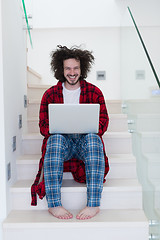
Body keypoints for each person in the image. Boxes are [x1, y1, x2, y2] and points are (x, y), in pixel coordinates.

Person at [31, 45, 109, 220]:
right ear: (61, 69)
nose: (72, 72)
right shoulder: (50, 94)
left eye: (76, 68)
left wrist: (87, 128)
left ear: (82, 69)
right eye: (68, 68)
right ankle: (54, 205)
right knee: (55, 140)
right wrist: (58, 128)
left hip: (84, 143)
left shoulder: (94, 92)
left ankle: (93, 204)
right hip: (62, 145)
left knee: (94, 140)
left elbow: (103, 123)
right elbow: (43, 127)